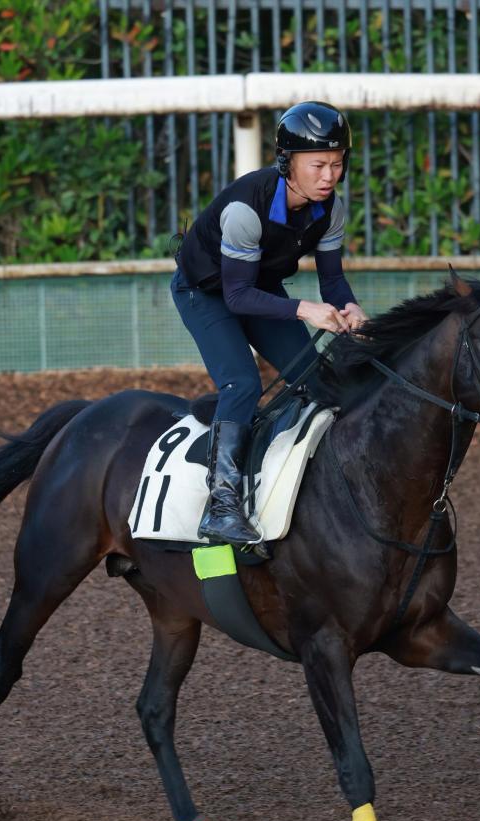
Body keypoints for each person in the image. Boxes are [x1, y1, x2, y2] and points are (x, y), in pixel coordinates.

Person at [171, 100, 367, 554]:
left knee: (315, 379)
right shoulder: (245, 209)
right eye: (317, 165)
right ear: (287, 164)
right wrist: (306, 310)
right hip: (207, 292)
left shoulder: (329, 209)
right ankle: (220, 507)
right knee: (241, 381)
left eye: (337, 165)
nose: (329, 176)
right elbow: (236, 297)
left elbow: (332, 280)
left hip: (256, 285)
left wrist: (350, 306)